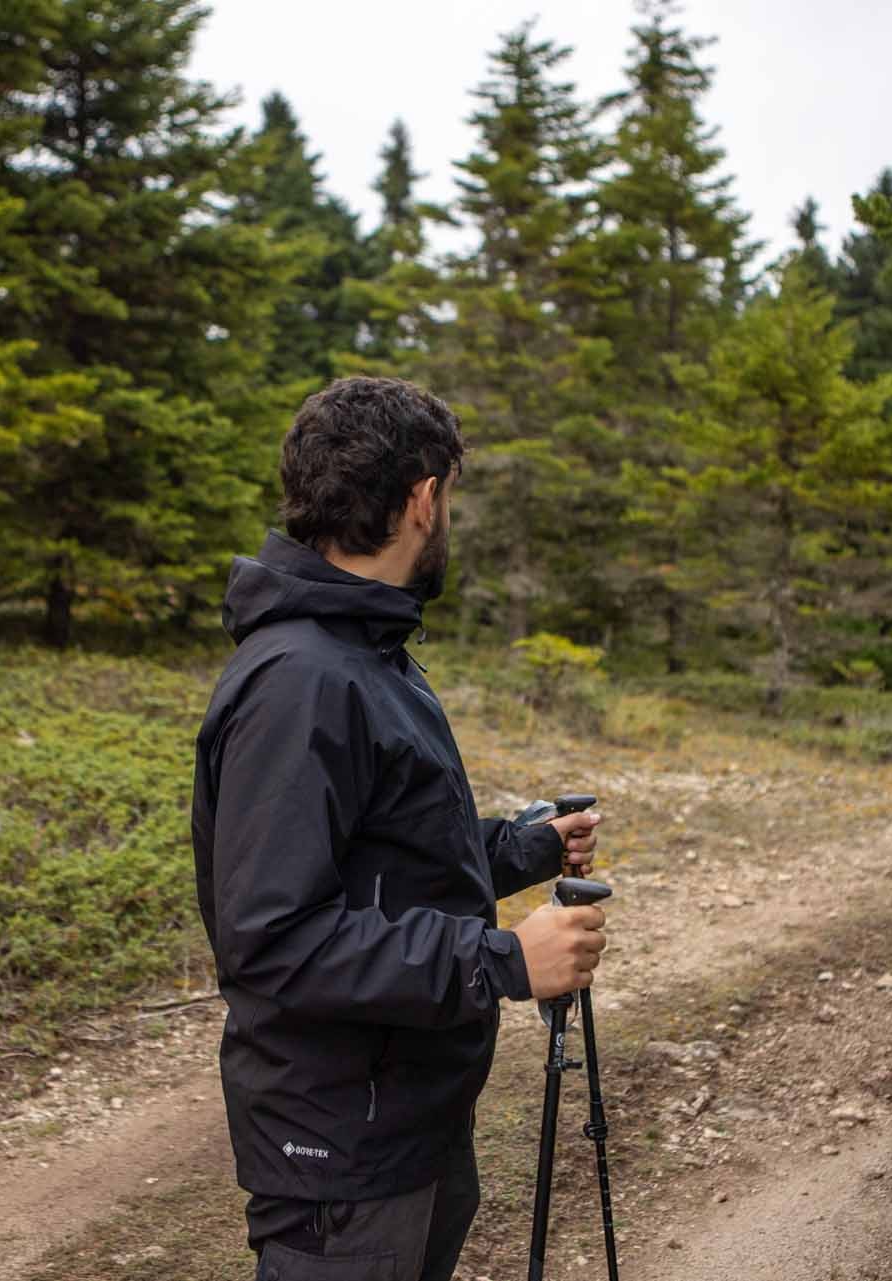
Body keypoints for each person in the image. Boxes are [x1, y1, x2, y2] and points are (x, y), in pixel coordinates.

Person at [191, 376, 609, 1281]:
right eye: (449, 495)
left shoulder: (367, 653)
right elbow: (273, 939)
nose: (448, 516)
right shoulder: (303, 680)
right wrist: (503, 959)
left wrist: (530, 845)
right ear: (423, 499)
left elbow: (386, 863)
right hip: (341, 1152)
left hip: (404, 1123)